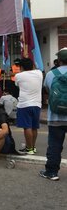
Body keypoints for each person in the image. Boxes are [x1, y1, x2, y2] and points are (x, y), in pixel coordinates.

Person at [39, 47, 67, 181]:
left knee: (55, 145)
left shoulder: (52, 74)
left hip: (55, 117)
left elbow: (47, 90)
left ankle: (51, 172)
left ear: (59, 60)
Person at [15, 58, 43, 155]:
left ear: (21, 67)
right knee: (34, 127)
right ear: (32, 66)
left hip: (24, 104)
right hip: (37, 104)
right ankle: (32, 147)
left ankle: (29, 148)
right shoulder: (39, 73)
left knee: (27, 127)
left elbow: (18, 86)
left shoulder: (18, 76)